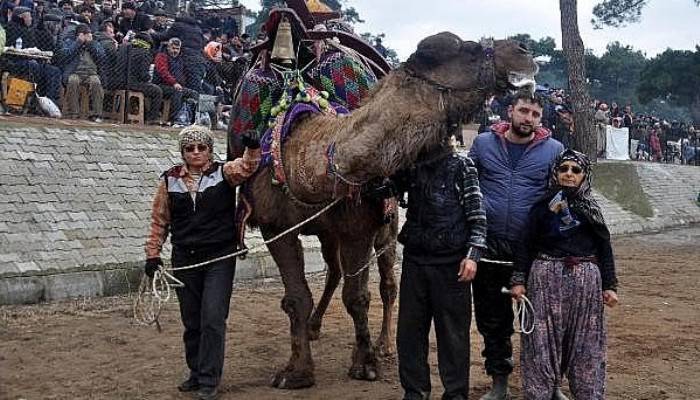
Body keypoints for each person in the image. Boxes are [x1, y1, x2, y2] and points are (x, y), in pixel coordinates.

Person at [144, 126, 261, 400]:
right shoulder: (169, 180)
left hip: (219, 257)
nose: (196, 153)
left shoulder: (223, 173)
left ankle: (210, 380)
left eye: (201, 148)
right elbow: (159, 221)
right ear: (183, 152)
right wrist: (152, 254)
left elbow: (248, 166)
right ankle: (196, 373)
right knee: (192, 320)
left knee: (213, 317)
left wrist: (253, 146)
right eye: (189, 148)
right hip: (184, 258)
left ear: (209, 150)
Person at [468, 90, 563, 400]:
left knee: (543, 322)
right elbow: (466, 184)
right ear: (510, 111)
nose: (528, 119)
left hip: (533, 254)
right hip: (489, 249)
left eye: (535, 114)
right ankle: (499, 383)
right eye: (523, 111)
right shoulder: (483, 143)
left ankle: (551, 385)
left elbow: (561, 199)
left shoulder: (554, 151)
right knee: (492, 322)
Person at [511, 148, 619, 400]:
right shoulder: (541, 207)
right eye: (564, 169)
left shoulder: (592, 209)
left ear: (584, 175)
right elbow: (525, 244)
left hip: (586, 285)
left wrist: (610, 286)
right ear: (556, 173)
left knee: (587, 347)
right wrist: (518, 280)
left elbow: (604, 247)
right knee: (540, 344)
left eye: (575, 170)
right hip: (544, 281)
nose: (569, 174)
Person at [395, 138, 487, 400]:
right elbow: (382, 188)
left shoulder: (462, 166)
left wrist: (472, 255)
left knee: (453, 336)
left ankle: (456, 394)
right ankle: (414, 392)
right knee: (409, 334)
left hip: (452, 264)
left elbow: (478, 216)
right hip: (415, 260)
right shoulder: (410, 167)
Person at [57, 23, 105, 121]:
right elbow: (65, 55)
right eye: (83, 34)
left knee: (96, 83)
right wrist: (78, 43)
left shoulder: (95, 43)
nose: (86, 37)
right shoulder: (69, 41)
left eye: (88, 34)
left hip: (91, 73)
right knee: (72, 81)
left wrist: (90, 44)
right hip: (74, 72)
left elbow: (101, 57)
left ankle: (97, 114)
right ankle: (74, 112)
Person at [115, 31, 162, 124]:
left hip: (119, 81)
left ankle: (143, 114)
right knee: (157, 91)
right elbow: (143, 75)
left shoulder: (125, 48)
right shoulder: (145, 53)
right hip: (134, 84)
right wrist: (148, 77)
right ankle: (152, 118)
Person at [153, 37, 199, 124]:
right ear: (168, 47)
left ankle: (192, 120)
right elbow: (163, 72)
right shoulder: (161, 56)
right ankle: (174, 119)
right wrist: (174, 83)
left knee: (194, 94)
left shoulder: (180, 59)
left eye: (177, 49)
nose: (175, 51)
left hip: (177, 86)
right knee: (177, 92)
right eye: (173, 48)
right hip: (161, 85)